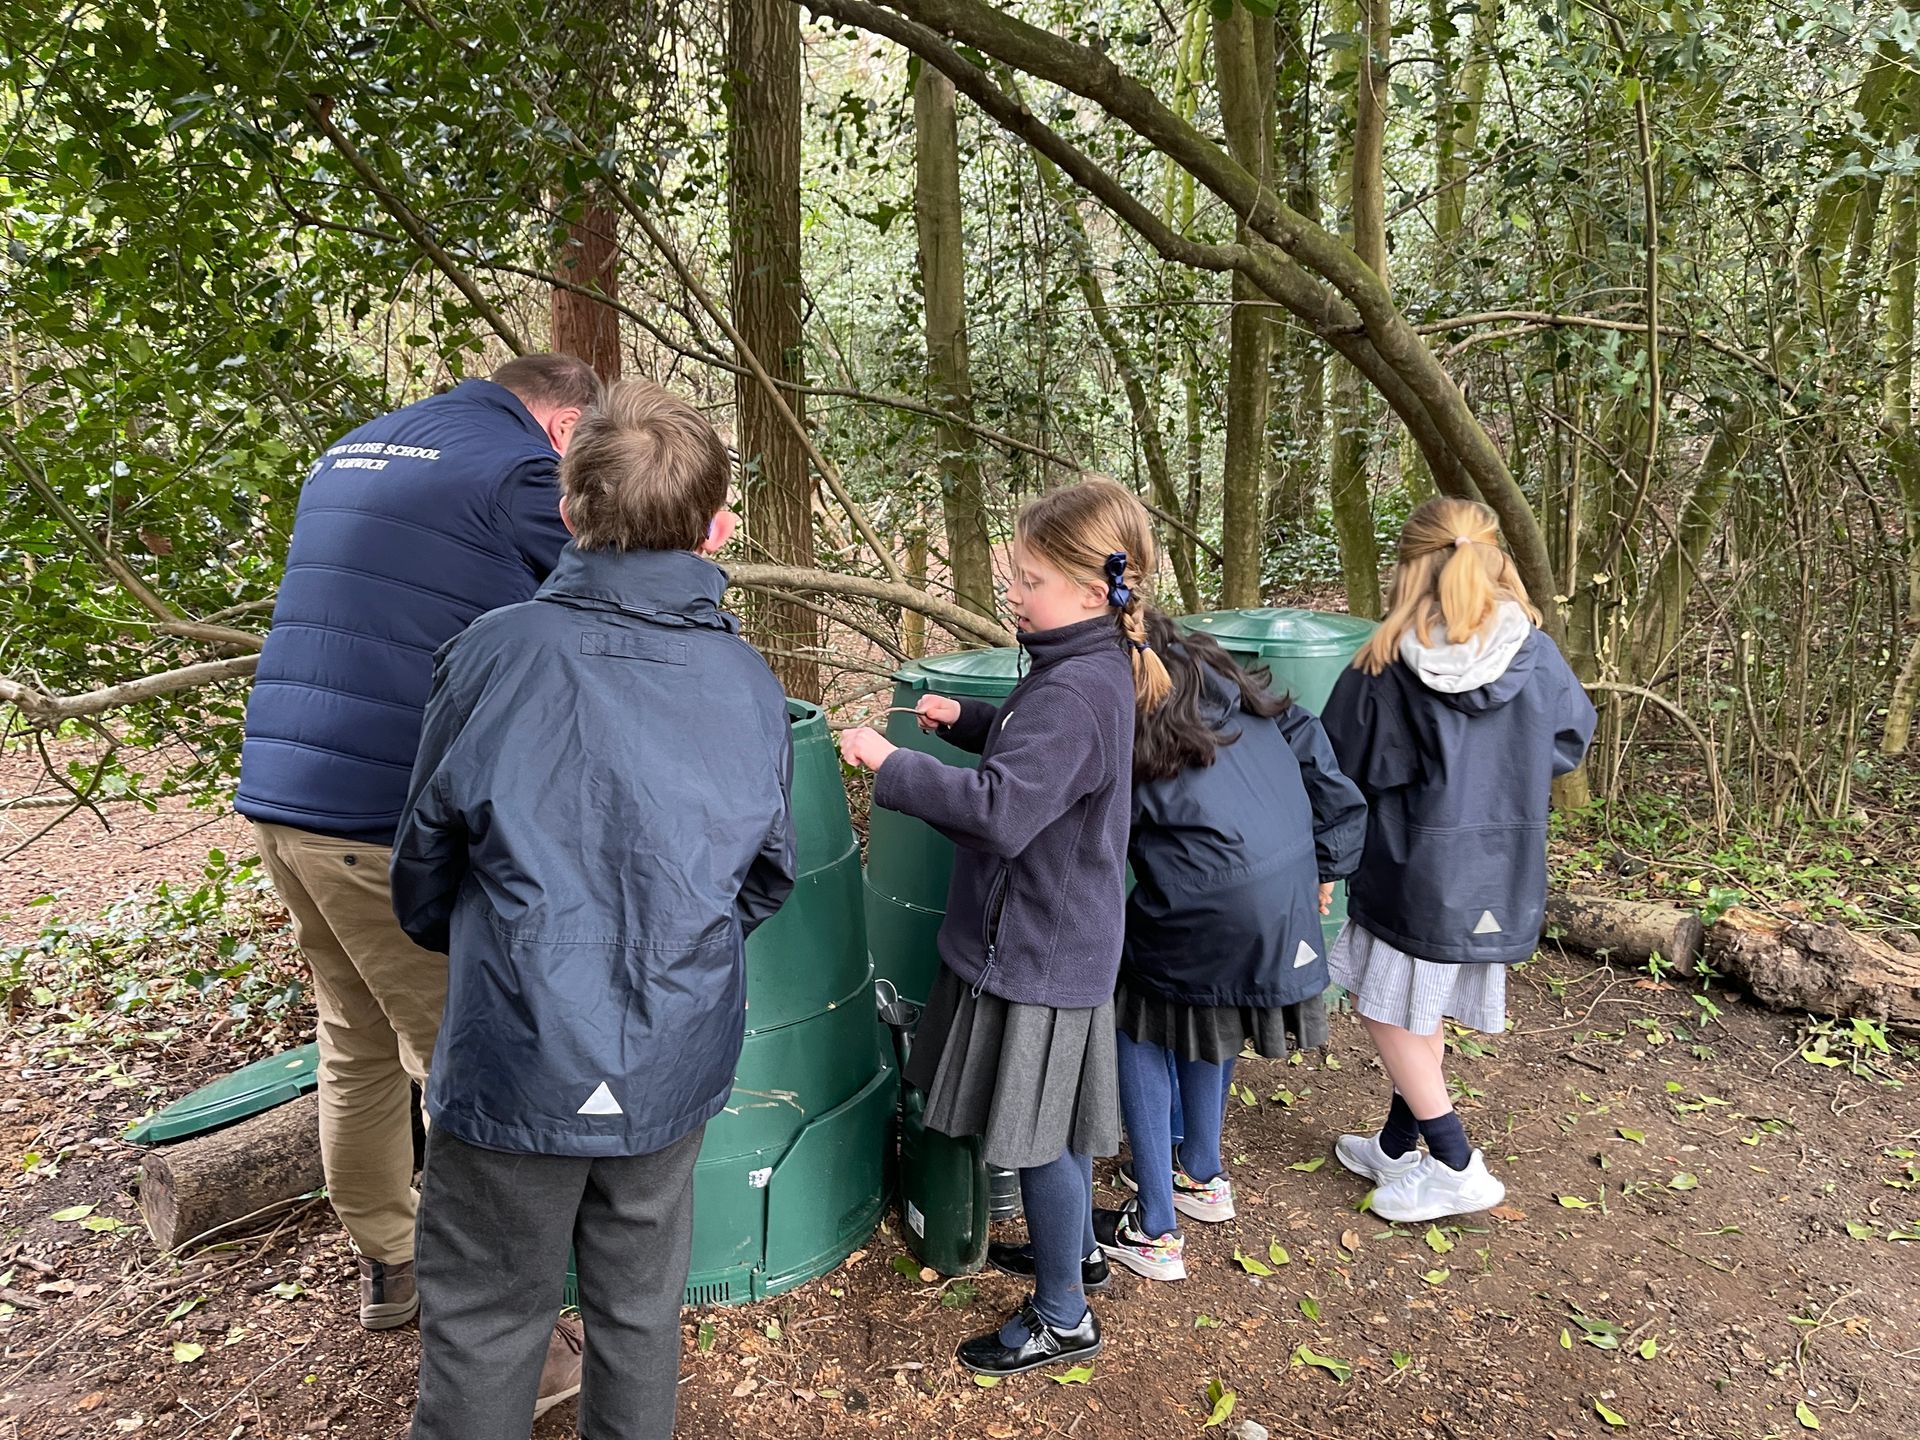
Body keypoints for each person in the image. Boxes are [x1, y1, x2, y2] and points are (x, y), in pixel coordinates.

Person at [389, 378, 797, 1440]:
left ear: (570, 510)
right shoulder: (748, 682)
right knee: (640, 1306)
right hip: (670, 1048)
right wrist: (670, 958)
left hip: (515, 1044)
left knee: (487, 1314)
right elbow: (766, 875)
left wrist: (494, 950)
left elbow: (422, 863)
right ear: (716, 528)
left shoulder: (491, 655)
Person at [235, 355, 601, 1409]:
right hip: (382, 822)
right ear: (565, 421)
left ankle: (393, 1261)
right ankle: (514, 1349)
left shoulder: (355, 446)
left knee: (353, 1039)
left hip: (282, 801)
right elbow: (607, 605)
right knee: (467, 1064)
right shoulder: (521, 475)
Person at [838, 478, 1170, 1378]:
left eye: (1028, 581)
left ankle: (1065, 1314)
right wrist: (970, 719)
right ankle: (1080, 1258)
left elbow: (1001, 813)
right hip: (1049, 938)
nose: (1014, 596)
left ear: (1092, 585)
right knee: (1046, 1126)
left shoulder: (1076, 686)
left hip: (1036, 951)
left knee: (1034, 1135)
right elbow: (1041, 757)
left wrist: (893, 762)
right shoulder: (1078, 664)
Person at [1320, 497, 1595, 1223]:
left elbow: (1342, 765)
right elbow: (1569, 738)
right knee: (1421, 1007)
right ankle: (1393, 1143)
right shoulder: (1533, 650)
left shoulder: (1384, 662)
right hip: (1499, 871)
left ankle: (1455, 1162)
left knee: (1385, 1011)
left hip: (1412, 874)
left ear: (1408, 566)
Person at [1095, 609, 1367, 1280]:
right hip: (1280, 883)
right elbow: (1308, 739)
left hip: (1205, 896)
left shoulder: (1112, 699)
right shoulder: (1211, 672)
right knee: (1207, 1008)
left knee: (1138, 1025)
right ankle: (1203, 1175)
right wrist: (1327, 860)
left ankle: (1155, 1228)